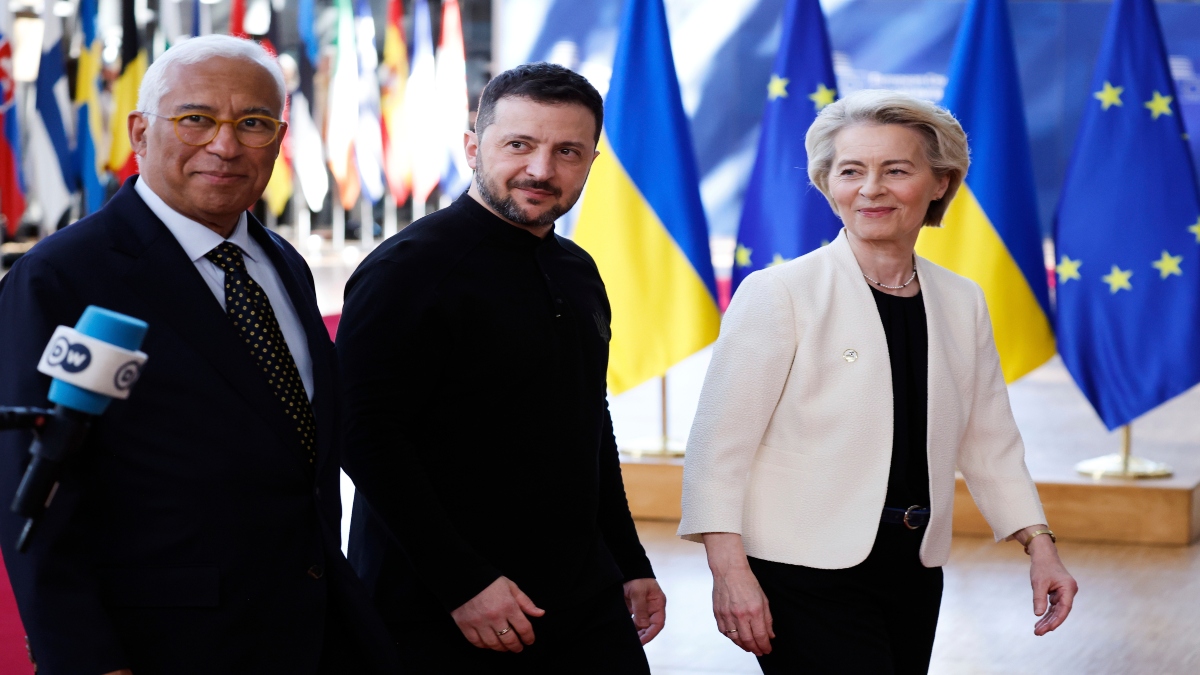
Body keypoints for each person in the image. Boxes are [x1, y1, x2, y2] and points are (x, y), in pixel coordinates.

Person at [0, 35, 396, 675]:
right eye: (196, 119)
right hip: (164, 647)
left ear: (279, 138)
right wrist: (84, 660)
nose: (226, 144)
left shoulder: (282, 262)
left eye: (254, 123)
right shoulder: (61, 278)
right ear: (139, 131)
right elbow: (36, 495)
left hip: (315, 634)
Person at [677, 89, 1078, 674]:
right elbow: (717, 450)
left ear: (940, 181)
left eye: (896, 170)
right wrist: (730, 573)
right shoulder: (778, 294)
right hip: (799, 570)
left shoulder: (961, 300)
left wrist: (1041, 547)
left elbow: (991, 441)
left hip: (913, 566)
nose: (871, 189)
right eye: (850, 171)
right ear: (826, 183)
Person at [337, 62, 665, 673]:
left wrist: (629, 560)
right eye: (519, 144)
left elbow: (588, 423)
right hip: (443, 607)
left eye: (567, 150)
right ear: (472, 147)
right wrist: (462, 583)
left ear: (592, 161)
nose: (541, 169)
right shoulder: (406, 271)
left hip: (581, 596)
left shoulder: (579, 270)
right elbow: (363, 436)